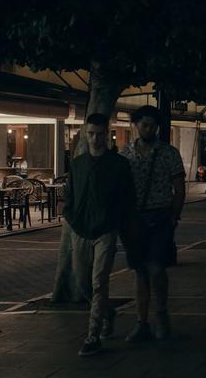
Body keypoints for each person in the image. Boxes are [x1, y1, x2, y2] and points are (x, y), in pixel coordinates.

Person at [64, 113, 137, 356]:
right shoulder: (78, 164)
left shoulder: (118, 165)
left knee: (98, 282)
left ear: (108, 133)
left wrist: (116, 222)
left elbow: (128, 199)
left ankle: (92, 335)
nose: (95, 139)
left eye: (100, 134)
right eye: (91, 133)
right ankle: (108, 312)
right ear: (86, 133)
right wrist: (72, 218)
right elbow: (70, 195)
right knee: (83, 282)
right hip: (81, 230)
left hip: (106, 230)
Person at [120, 105, 186, 342]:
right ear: (136, 125)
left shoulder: (168, 153)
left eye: (152, 125)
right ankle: (142, 322)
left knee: (156, 268)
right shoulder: (125, 154)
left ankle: (161, 315)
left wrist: (174, 215)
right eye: (144, 124)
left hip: (160, 217)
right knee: (139, 271)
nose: (148, 129)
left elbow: (179, 187)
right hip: (134, 219)